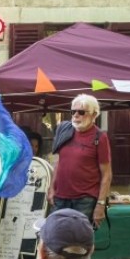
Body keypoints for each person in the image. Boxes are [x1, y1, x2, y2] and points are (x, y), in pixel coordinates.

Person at [49, 94, 112, 227]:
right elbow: (59, 163)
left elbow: (106, 174)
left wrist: (100, 204)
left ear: (94, 115)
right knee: (57, 238)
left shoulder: (100, 137)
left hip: (85, 200)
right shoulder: (64, 131)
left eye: (81, 112)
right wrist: (51, 189)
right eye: (73, 111)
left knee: (78, 242)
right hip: (60, 197)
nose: (76, 115)